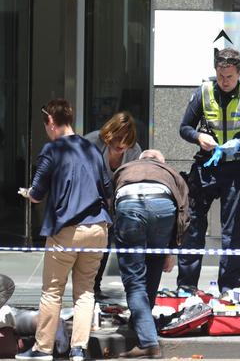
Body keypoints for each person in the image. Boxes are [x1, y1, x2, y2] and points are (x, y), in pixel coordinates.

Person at [16, 99, 112, 361]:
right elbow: (107, 189)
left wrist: (27, 194)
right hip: (97, 229)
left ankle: (43, 349)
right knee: (85, 292)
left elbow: (37, 193)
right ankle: (78, 349)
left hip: (66, 230)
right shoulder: (92, 149)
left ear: (50, 121)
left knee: (52, 291)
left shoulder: (52, 150)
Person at [177, 47, 240, 292]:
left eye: (229, 76)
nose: (224, 81)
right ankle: (186, 287)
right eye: (220, 76)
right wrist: (198, 136)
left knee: (234, 232)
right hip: (207, 166)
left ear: (239, 72)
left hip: (239, 169)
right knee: (192, 226)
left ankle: (229, 289)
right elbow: (184, 128)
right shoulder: (204, 91)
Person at [112, 150, 189, 358]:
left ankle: (148, 342)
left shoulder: (125, 169)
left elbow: (112, 202)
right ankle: (142, 321)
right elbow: (183, 212)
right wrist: (171, 250)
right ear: (161, 162)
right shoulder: (170, 172)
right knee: (155, 261)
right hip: (163, 207)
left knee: (134, 280)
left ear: (141, 160)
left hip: (130, 206)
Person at [85, 111, 142, 298]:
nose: (121, 144)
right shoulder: (92, 142)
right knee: (96, 242)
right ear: (109, 135)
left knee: (111, 244)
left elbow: (136, 179)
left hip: (120, 200)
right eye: (117, 138)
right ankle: (88, 287)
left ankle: (97, 286)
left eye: (126, 140)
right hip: (92, 198)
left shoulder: (135, 151)